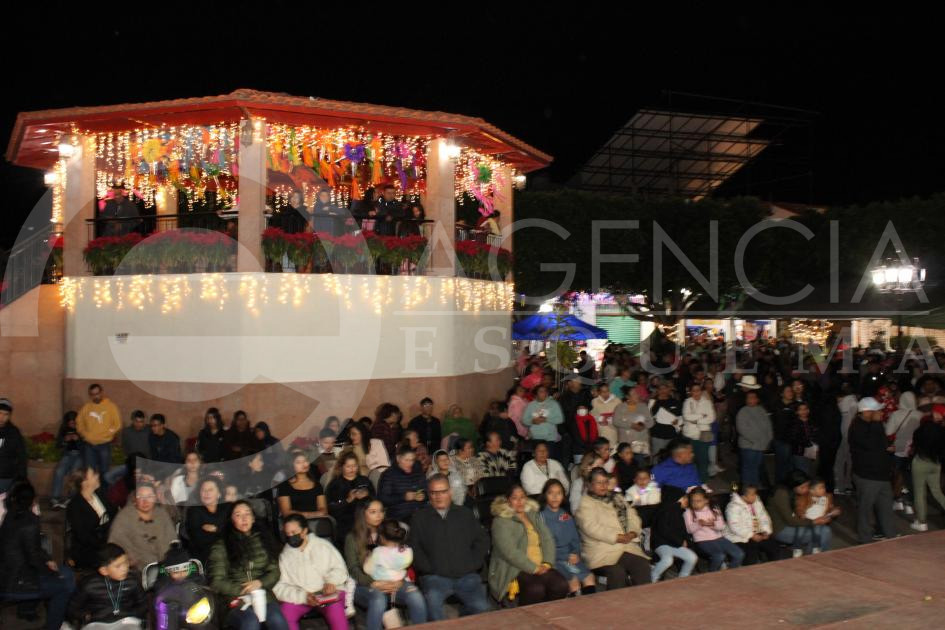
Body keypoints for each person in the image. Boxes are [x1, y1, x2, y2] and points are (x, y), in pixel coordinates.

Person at [408, 473, 491, 620]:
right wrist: (429, 569)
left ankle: (462, 619)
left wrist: (473, 564)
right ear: (429, 494)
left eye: (443, 491)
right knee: (434, 611)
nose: (438, 496)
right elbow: (414, 548)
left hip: (466, 575)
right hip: (435, 577)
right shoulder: (419, 518)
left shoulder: (465, 514)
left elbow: (482, 540)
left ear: (450, 492)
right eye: (434, 492)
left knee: (482, 609)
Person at [0, 482, 76, 630]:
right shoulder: (30, 521)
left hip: (9, 574)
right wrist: (52, 572)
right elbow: (33, 558)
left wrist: (47, 560)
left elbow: (31, 550)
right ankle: (54, 625)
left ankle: (28, 610)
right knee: (64, 587)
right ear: (32, 500)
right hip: (16, 581)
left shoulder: (10, 515)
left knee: (66, 574)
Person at [344, 500, 427, 630]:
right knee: (378, 599)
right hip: (364, 584)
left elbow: (402, 560)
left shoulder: (391, 531)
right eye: (373, 512)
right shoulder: (352, 538)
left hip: (395, 581)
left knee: (415, 596)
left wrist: (399, 580)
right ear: (362, 514)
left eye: (381, 511)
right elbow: (353, 569)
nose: (379, 515)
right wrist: (373, 583)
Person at [208, 500, 288, 630]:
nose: (244, 518)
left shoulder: (264, 540)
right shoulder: (221, 546)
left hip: (263, 595)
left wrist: (260, 583)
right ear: (231, 520)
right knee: (250, 622)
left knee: (277, 620)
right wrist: (244, 590)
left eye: (247, 514)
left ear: (253, 518)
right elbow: (216, 582)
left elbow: (274, 571)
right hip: (234, 599)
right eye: (238, 515)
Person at [488, 484, 569, 606]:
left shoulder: (532, 515)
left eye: (522, 497)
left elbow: (547, 538)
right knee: (535, 589)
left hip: (541, 564)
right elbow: (510, 552)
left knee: (561, 586)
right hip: (515, 567)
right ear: (508, 500)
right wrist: (534, 568)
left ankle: (547, 613)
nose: (520, 501)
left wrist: (547, 563)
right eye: (515, 498)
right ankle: (525, 615)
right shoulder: (500, 521)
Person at [575, 468, 651, 590]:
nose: (603, 485)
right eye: (599, 482)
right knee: (617, 572)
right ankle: (615, 601)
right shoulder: (585, 503)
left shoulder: (617, 497)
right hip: (601, 551)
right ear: (589, 485)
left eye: (605, 482)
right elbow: (591, 527)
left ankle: (644, 598)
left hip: (625, 546)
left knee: (642, 565)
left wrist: (632, 532)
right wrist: (617, 537)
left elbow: (633, 516)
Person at [274, 513, 351, 630]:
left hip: (327, 594)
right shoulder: (285, 556)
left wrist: (331, 582)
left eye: (294, 532)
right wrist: (303, 597)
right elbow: (280, 586)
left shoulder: (323, 546)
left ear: (304, 531)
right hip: (303, 597)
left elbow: (340, 569)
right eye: (287, 534)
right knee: (285, 613)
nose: (290, 536)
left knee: (335, 611)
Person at [848, 396, 897, 543]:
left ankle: (890, 536)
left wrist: (887, 448)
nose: (880, 413)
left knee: (886, 508)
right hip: (867, 476)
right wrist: (876, 423)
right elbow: (870, 444)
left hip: (881, 474)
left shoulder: (875, 425)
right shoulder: (858, 427)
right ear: (866, 412)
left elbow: (880, 443)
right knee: (866, 510)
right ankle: (865, 539)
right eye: (877, 410)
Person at [68, 543, 146, 628]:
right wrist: (86, 616)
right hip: (98, 623)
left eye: (126, 562)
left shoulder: (132, 581)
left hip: (126, 621)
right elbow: (72, 608)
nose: (125, 568)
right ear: (104, 571)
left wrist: (131, 614)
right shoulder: (89, 584)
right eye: (118, 566)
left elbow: (143, 604)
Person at [539, 479, 596, 596]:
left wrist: (575, 554)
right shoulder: (540, 517)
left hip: (569, 559)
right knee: (574, 582)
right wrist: (563, 557)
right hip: (552, 560)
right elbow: (541, 545)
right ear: (545, 495)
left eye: (559, 493)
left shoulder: (566, 516)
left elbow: (575, 540)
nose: (555, 497)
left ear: (563, 496)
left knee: (589, 578)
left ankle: (590, 606)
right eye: (551, 493)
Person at [107, 482, 177, 571]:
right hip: (137, 569)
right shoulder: (124, 517)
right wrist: (131, 560)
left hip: (166, 565)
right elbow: (114, 544)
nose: (145, 501)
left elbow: (172, 539)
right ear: (135, 499)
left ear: (155, 498)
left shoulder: (162, 513)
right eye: (141, 497)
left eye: (149, 496)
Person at [767, 470, 833, 557]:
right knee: (824, 532)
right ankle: (814, 558)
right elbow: (790, 520)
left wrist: (825, 514)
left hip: (796, 524)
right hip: (781, 530)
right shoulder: (781, 494)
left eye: (807, 486)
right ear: (794, 486)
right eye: (803, 487)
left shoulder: (794, 492)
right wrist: (813, 522)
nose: (806, 489)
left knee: (823, 530)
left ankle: (812, 557)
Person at [65, 465, 117, 570]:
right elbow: (84, 536)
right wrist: (106, 546)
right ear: (84, 482)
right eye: (93, 474)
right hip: (89, 551)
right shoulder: (75, 506)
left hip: (108, 542)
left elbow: (114, 514)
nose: (97, 475)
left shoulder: (100, 495)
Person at [684, 488, 744, 571]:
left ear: (706, 501)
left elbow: (722, 526)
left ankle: (729, 572)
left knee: (739, 554)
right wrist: (699, 524)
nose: (695, 503)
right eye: (692, 501)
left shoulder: (714, 509)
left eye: (698, 501)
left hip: (719, 538)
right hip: (702, 540)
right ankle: (712, 573)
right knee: (719, 556)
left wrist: (713, 524)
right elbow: (689, 530)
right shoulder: (688, 512)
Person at [649, 485, 698, 582]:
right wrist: (680, 541)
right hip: (661, 544)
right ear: (677, 500)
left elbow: (683, 531)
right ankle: (652, 577)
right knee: (667, 560)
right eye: (684, 498)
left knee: (692, 557)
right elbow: (664, 531)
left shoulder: (679, 512)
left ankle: (682, 579)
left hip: (675, 544)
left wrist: (687, 541)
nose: (687, 500)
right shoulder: (665, 512)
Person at [909, 404, 945, 531]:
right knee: (937, 491)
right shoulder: (942, 430)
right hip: (936, 464)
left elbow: (915, 439)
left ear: (935, 413)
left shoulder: (925, 427)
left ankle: (922, 522)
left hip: (921, 462)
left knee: (919, 492)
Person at [326, 451, 374, 543]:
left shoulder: (364, 481)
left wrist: (367, 495)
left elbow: (375, 500)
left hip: (366, 518)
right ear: (342, 467)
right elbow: (331, 508)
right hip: (345, 521)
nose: (352, 469)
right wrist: (348, 500)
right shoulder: (335, 484)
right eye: (348, 466)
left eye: (354, 466)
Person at [724, 484, 779, 565]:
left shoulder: (757, 502)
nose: (755, 496)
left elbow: (764, 517)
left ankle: (774, 566)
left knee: (774, 548)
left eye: (755, 493)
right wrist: (751, 535)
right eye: (752, 494)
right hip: (739, 537)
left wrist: (766, 531)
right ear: (743, 496)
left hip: (757, 532)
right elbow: (735, 527)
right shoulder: (733, 507)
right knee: (751, 556)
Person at [886, 391, 921, 514]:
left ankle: (898, 499)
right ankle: (909, 501)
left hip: (898, 449)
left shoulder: (896, 414)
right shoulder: (920, 415)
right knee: (911, 476)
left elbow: (888, 432)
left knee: (898, 475)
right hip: (913, 449)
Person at [77, 384, 121, 477]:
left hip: (104, 444)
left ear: (101, 393)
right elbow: (79, 422)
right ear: (90, 395)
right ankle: (92, 487)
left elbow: (117, 424)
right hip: (89, 445)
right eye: (93, 394)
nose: (95, 396)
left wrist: (107, 434)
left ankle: (103, 487)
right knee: (90, 473)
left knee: (104, 472)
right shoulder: (86, 407)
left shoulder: (111, 406)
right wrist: (85, 435)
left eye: (97, 393)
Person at [184, 476, 228, 566]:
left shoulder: (228, 508)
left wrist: (216, 529)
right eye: (203, 490)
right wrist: (222, 530)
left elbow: (234, 530)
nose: (206, 493)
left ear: (219, 493)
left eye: (210, 490)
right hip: (204, 557)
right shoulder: (194, 511)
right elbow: (199, 538)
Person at [377, 445, 427, 522]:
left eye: (412, 460)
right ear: (398, 458)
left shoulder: (418, 471)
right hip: (399, 516)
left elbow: (427, 490)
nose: (410, 463)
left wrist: (424, 495)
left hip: (420, 512)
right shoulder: (389, 475)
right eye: (406, 460)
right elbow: (383, 499)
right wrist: (404, 497)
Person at [736, 390, 773, 487]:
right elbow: (742, 429)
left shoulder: (761, 410)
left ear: (757, 399)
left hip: (760, 446)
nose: (751, 399)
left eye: (753, 397)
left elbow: (768, 426)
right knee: (748, 468)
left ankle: (754, 488)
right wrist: (757, 440)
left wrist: (768, 440)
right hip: (749, 446)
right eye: (749, 397)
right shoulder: (743, 411)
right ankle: (747, 489)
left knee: (756, 468)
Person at [277, 452, 328, 519]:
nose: (304, 464)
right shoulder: (284, 486)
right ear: (291, 466)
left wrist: (302, 515)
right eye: (298, 462)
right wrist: (312, 514)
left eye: (305, 461)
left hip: (317, 522)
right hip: (294, 522)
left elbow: (323, 510)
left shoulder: (317, 485)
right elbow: (286, 512)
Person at [682, 383, 716, 483]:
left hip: (703, 435)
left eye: (698, 390)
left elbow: (711, 418)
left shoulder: (707, 402)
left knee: (703, 460)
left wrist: (696, 420)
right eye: (694, 390)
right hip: (690, 435)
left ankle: (702, 482)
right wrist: (702, 415)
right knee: (690, 460)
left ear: (701, 391)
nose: (696, 393)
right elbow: (686, 416)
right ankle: (690, 481)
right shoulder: (687, 402)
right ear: (691, 392)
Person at [612, 388, 653, 467]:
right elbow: (616, 422)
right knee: (627, 467)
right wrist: (631, 425)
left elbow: (651, 422)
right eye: (634, 394)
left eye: (637, 393)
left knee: (640, 466)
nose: (637, 395)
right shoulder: (620, 407)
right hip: (626, 443)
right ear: (627, 396)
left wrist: (643, 426)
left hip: (640, 444)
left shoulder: (643, 406)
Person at [51, 411, 83, 508]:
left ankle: (71, 498)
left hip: (79, 455)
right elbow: (58, 445)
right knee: (59, 471)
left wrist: (78, 440)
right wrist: (64, 440)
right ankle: (55, 498)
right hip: (67, 455)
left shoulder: (82, 429)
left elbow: (86, 447)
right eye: (70, 423)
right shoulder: (64, 429)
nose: (72, 425)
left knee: (74, 472)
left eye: (74, 423)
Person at [522, 387, 564, 458]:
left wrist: (546, 419)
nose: (544, 393)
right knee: (538, 459)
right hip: (535, 437)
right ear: (536, 394)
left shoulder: (554, 404)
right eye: (541, 391)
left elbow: (560, 419)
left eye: (545, 391)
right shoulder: (530, 405)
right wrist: (532, 421)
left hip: (549, 438)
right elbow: (524, 420)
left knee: (548, 459)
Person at [772, 385, 798, 484]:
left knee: (791, 465)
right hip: (781, 440)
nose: (790, 393)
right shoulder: (777, 406)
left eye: (791, 391)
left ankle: (789, 485)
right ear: (782, 393)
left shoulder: (795, 405)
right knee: (781, 466)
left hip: (793, 440)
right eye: (787, 391)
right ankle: (780, 486)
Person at [649, 384, 683, 457]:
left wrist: (678, 421)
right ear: (657, 391)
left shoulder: (675, 402)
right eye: (660, 389)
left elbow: (681, 416)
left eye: (665, 388)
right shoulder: (653, 401)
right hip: (657, 434)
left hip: (672, 433)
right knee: (657, 456)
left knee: (671, 457)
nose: (663, 391)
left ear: (669, 390)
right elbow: (650, 415)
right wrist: (658, 401)